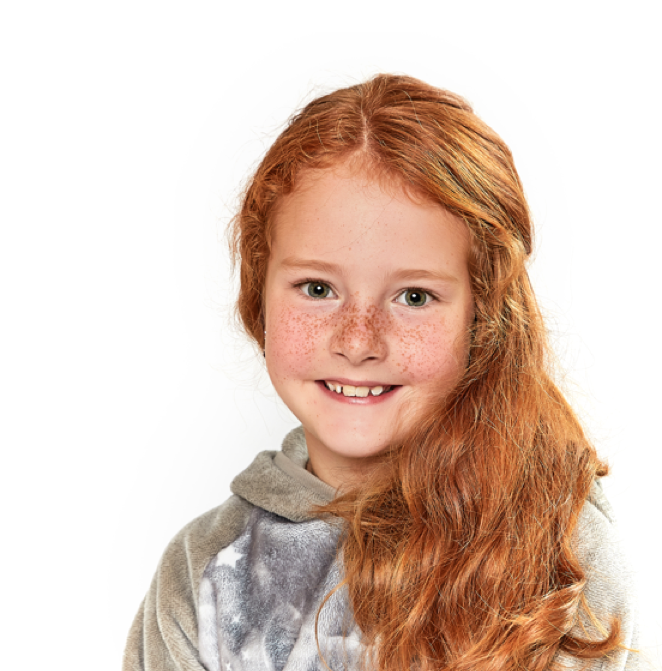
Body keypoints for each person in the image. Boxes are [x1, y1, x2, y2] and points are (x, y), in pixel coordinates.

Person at [123, 74, 641, 671]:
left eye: (414, 297)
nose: (358, 341)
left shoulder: (558, 552)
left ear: (482, 317)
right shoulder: (206, 572)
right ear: (257, 295)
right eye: (317, 289)